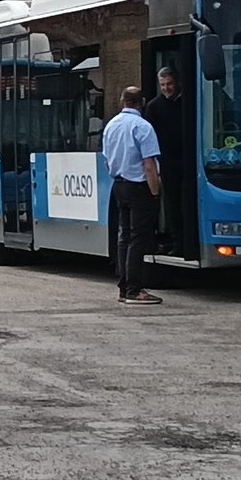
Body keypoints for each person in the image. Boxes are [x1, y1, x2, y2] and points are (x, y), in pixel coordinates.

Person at [102, 87, 162, 306]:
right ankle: (135, 290)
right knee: (138, 239)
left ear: (122, 101)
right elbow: (149, 165)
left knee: (124, 236)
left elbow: (107, 160)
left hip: (119, 185)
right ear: (142, 102)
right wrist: (155, 192)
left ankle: (123, 287)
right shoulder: (143, 127)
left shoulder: (111, 126)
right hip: (139, 187)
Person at [144, 66, 184, 255]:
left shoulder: (187, 101)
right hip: (167, 162)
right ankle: (177, 241)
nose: (166, 88)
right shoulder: (154, 107)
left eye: (169, 84)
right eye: (163, 85)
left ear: (177, 83)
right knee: (172, 204)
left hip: (187, 160)